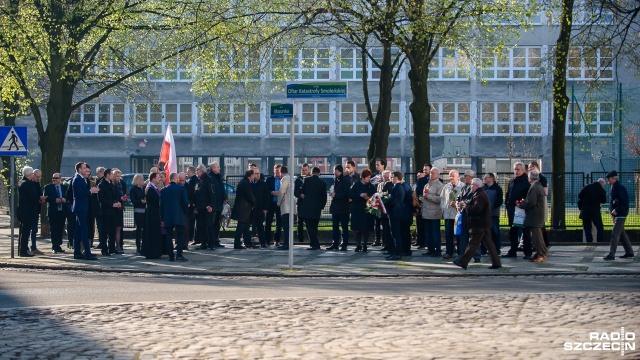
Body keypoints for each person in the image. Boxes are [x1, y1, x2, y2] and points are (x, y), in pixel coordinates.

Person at [453, 178, 502, 270]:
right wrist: (466, 204)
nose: (471, 186)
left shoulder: (479, 195)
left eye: (472, 185)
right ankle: (496, 263)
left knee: (473, 243)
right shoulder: (479, 194)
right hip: (483, 224)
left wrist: (466, 206)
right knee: (489, 245)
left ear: (476, 186)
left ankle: (463, 262)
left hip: (479, 224)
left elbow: (477, 209)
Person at [603, 171, 634, 260]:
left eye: (609, 179)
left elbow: (624, 202)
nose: (608, 180)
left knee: (615, 234)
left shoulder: (620, 188)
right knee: (622, 234)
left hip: (620, 214)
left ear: (614, 178)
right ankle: (629, 252)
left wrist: (617, 210)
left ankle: (611, 254)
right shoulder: (615, 187)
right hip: (617, 214)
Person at [518, 170, 548, 263]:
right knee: (538, 236)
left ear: (530, 178)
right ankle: (540, 253)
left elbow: (531, 202)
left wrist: (522, 205)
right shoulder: (538, 186)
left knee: (537, 237)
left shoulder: (534, 187)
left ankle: (541, 255)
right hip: (537, 214)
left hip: (534, 215)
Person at [503, 162, 531, 259]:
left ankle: (527, 251)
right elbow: (508, 193)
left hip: (522, 209)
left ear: (523, 170)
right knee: (513, 231)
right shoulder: (512, 181)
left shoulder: (527, 181)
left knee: (525, 231)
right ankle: (513, 250)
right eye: (515, 169)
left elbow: (528, 195)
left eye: (518, 169)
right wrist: (507, 204)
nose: (516, 171)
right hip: (512, 210)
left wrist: (522, 203)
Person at [71, 162, 99, 260]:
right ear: (79, 170)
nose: (85, 170)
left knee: (78, 231)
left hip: (83, 207)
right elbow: (79, 193)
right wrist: (91, 191)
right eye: (83, 168)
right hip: (80, 207)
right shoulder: (77, 179)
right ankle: (87, 253)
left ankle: (77, 252)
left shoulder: (82, 179)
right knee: (84, 230)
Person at [160, 172, 189, 262]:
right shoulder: (181, 188)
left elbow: (161, 205)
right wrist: (184, 212)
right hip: (179, 215)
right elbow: (185, 202)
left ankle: (171, 256)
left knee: (169, 236)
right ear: (176, 179)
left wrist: (162, 217)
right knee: (180, 235)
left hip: (168, 215)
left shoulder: (164, 190)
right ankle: (179, 254)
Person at [386, 171, 413, 260]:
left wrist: (385, 203)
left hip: (395, 214)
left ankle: (397, 253)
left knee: (396, 234)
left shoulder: (396, 188)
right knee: (398, 234)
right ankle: (397, 252)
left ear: (396, 178)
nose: (391, 179)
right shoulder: (401, 186)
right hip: (399, 214)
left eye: (392, 177)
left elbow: (394, 202)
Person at [299, 166, 327, 250]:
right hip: (317, 208)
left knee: (309, 226)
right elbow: (324, 197)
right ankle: (314, 243)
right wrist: (321, 206)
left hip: (307, 207)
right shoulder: (323, 183)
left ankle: (315, 244)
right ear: (319, 173)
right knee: (315, 226)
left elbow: (302, 192)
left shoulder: (307, 180)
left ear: (311, 172)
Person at [348, 168, 376, 252]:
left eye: (369, 177)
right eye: (367, 177)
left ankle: (365, 245)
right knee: (357, 229)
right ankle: (358, 244)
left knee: (366, 229)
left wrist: (369, 197)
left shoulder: (371, 186)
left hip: (367, 210)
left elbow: (374, 195)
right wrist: (359, 195)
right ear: (362, 177)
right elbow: (351, 194)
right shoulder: (356, 185)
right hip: (357, 209)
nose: (368, 178)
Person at [326, 164, 351, 251]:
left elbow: (346, 193)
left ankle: (344, 244)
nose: (333, 172)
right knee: (335, 226)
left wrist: (336, 195)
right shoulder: (336, 179)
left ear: (337, 170)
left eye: (334, 170)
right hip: (336, 207)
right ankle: (335, 243)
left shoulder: (345, 180)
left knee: (344, 226)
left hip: (343, 207)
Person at [231, 169, 257, 249]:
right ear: (251, 175)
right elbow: (249, 195)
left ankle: (248, 242)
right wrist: (255, 203)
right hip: (243, 208)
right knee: (241, 227)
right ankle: (237, 244)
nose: (255, 176)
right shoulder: (246, 183)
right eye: (254, 175)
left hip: (244, 208)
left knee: (245, 227)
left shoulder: (244, 182)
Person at [421, 167, 443, 257]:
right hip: (426, 212)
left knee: (435, 233)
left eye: (433, 173)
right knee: (428, 233)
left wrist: (428, 196)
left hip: (434, 213)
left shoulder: (439, 185)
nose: (431, 175)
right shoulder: (427, 185)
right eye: (430, 173)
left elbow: (440, 199)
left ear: (438, 174)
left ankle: (437, 250)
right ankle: (430, 249)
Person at [17, 167, 39, 257]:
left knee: (22, 231)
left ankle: (22, 249)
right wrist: (39, 200)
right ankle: (23, 251)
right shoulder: (28, 184)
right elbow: (33, 197)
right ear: (30, 175)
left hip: (21, 210)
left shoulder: (20, 182)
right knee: (26, 232)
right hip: (27, 211)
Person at [44, 172, 68, 253]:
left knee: (60, 228)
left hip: (62, 211)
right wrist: (54, 200)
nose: (54, 179)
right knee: (53, 229)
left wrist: (65, 199)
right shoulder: (48, 187)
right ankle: (54, 246)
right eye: (53, 178)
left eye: (56, 178)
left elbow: (68, 196)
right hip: (53, 211)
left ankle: (59, 245)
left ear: (60, 179)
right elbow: (46, 197)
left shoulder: (64, 187)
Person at [441, 170, 462, 259]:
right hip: (448, 214)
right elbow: (442, 198)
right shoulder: (446, 186)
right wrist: (442, 207)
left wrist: (457, 204)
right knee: (448, 233)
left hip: (456, 214)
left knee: (458, 234)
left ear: (457, 176)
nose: (451, 178)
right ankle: (449, 251)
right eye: (450, 176)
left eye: (453, 176)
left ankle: (460, 251)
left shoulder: (462, 186)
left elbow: (463, 198)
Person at [578, 178, 606, 243]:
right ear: (601, 184)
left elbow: (579, 196)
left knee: (587, 227)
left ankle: (589, 241)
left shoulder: (587, 187)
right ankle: (600, 241)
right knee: (599, 227)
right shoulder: (601, 190)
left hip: (585, 211)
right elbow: (604, 201)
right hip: (595, 211)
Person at [98, 169, 118, 255]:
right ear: (107, 175)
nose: (112, 176)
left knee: (112, 230)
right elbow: (101, 199)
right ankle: (104, 249)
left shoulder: (111, 184)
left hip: (112, 211)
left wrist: (117, 202)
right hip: (105, 211)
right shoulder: (101, 185)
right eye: (111, 174)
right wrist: (111, 204)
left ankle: (112, 248)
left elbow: (114, 196)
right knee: (104, 231)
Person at [143, 172, 163, 259]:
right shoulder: (150, 188)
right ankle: (152, 252)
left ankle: (156, 251)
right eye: (158, 177)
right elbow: (155, 200)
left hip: (154, 212)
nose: (160, 179)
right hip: (152, 213)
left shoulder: (153, 187)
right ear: (153, 178)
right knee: (152, 233)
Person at [483, 173, 503, 254]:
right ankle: (484, 248)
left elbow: (499, 201)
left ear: (491, 178)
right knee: (484, 232)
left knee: (495, 231)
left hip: (493, 213)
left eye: (486, 177)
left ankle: (496, 248)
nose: (484, 179)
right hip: (484, 214)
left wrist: (490, 206)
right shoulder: (483, 188)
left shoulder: (497, 189)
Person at [208, 162, 227, 248]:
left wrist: (225, 197)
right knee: (211, 224)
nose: (219, 168)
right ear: (213, 169)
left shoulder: (219, 177)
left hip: (219, 204)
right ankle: (211, 242)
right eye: (217, 167)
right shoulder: (210, 177)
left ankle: (216, 240)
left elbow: (222, 188)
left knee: (217, 224)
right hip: (213, 205)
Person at [250, 166, 270, 248]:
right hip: (249, 209)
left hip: (259, 208)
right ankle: (247, 241)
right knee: (247, 226)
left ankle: (263, 242)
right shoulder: (249, 183)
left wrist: (266, 208)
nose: (257, 175)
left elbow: (267, 197)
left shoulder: (263, 184)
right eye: (256, 174)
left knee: (260, 226)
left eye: (258, 173)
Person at [414, 163, 431, 249]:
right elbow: (418, 192)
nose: (425, 171)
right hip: (421, 205)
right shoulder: (420, 181)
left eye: (426, 170)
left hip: (432, 207)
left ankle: (428, 242)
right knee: (420, 224)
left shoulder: (438, 181)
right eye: (424, 170)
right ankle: (421, 242)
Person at [276, 166, 294, 250]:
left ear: (281, 172)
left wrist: (278, 202)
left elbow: (281, 191)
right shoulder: (292, 178)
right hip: (292, 207)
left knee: (286, 226)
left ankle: (286, 244)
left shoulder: (285, 178)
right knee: (289, 226)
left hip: (286, 206)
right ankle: (288, 243)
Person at [371, 158, 387, 246]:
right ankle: (377, 239)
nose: (376, 166)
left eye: (378, 164)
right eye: (376, 164)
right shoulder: (374, 176)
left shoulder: (387, 175)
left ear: (383, 165)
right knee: (376, 221)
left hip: (384, 201)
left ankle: (385, 240)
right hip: (375, 200)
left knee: (384, 222)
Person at [266, 164, 283, 246]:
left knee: (279, 223)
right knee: (268, 221)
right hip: (271, 202)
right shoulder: (269, 180)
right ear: (273, 170)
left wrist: (279, 193)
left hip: (280, 203)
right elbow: (266, 190)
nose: (277, 172)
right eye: (276, 170)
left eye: (279, 170)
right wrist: (271, 192)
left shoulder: (283, 179)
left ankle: (277, 240)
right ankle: (267, 240)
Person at [129, 174, 146, 255]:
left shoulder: (143, 189)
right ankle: (138, 247)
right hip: (138, 211)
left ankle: (144, 245)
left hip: (144, 210)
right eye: (142, 179)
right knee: (139, 229)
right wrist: (140, 201)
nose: (143, 181)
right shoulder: (133, 190)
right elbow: (133, 201)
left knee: (144, 229)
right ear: (138, 180)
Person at [378, 170, 394, 252]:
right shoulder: (380, 184)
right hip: (382, 210)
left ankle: (389, 245)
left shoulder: (390, 185)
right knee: (384, 228)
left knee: (388, 229)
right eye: (385, 177)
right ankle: (385, 243)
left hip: (388, 210)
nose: (387, 179)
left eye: (388, 177)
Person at [294, 163, 310, 243]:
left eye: (306, 170)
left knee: (309, 222)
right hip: (300, 203)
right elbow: (294, 192)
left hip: (309, 204)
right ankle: (300, 239)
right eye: (303, 170)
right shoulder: (298, 180)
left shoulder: (311, 179)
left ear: (309, 170)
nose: (304, 171)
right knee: (299, 221)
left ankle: (311, 238)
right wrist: (300, 195)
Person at [113, 169, 127, 253]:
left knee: (119, 227)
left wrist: (123, 198)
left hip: (120, 207)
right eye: (117, 176)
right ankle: (117, 245)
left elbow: (122, 193)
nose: (119, 178)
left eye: (119, 176)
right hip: (114, 208)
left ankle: (119, 244)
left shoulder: (121, 185)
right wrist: (119, 198)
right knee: (116, 228)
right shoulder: (113, 185)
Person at [185, 166, 198, 245]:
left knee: (191, 222)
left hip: (192, 204)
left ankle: (190, 237)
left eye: (188, 172)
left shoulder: (191, 181)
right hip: (194, 204)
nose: (187, 173)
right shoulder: (196, 180)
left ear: (192, 172)